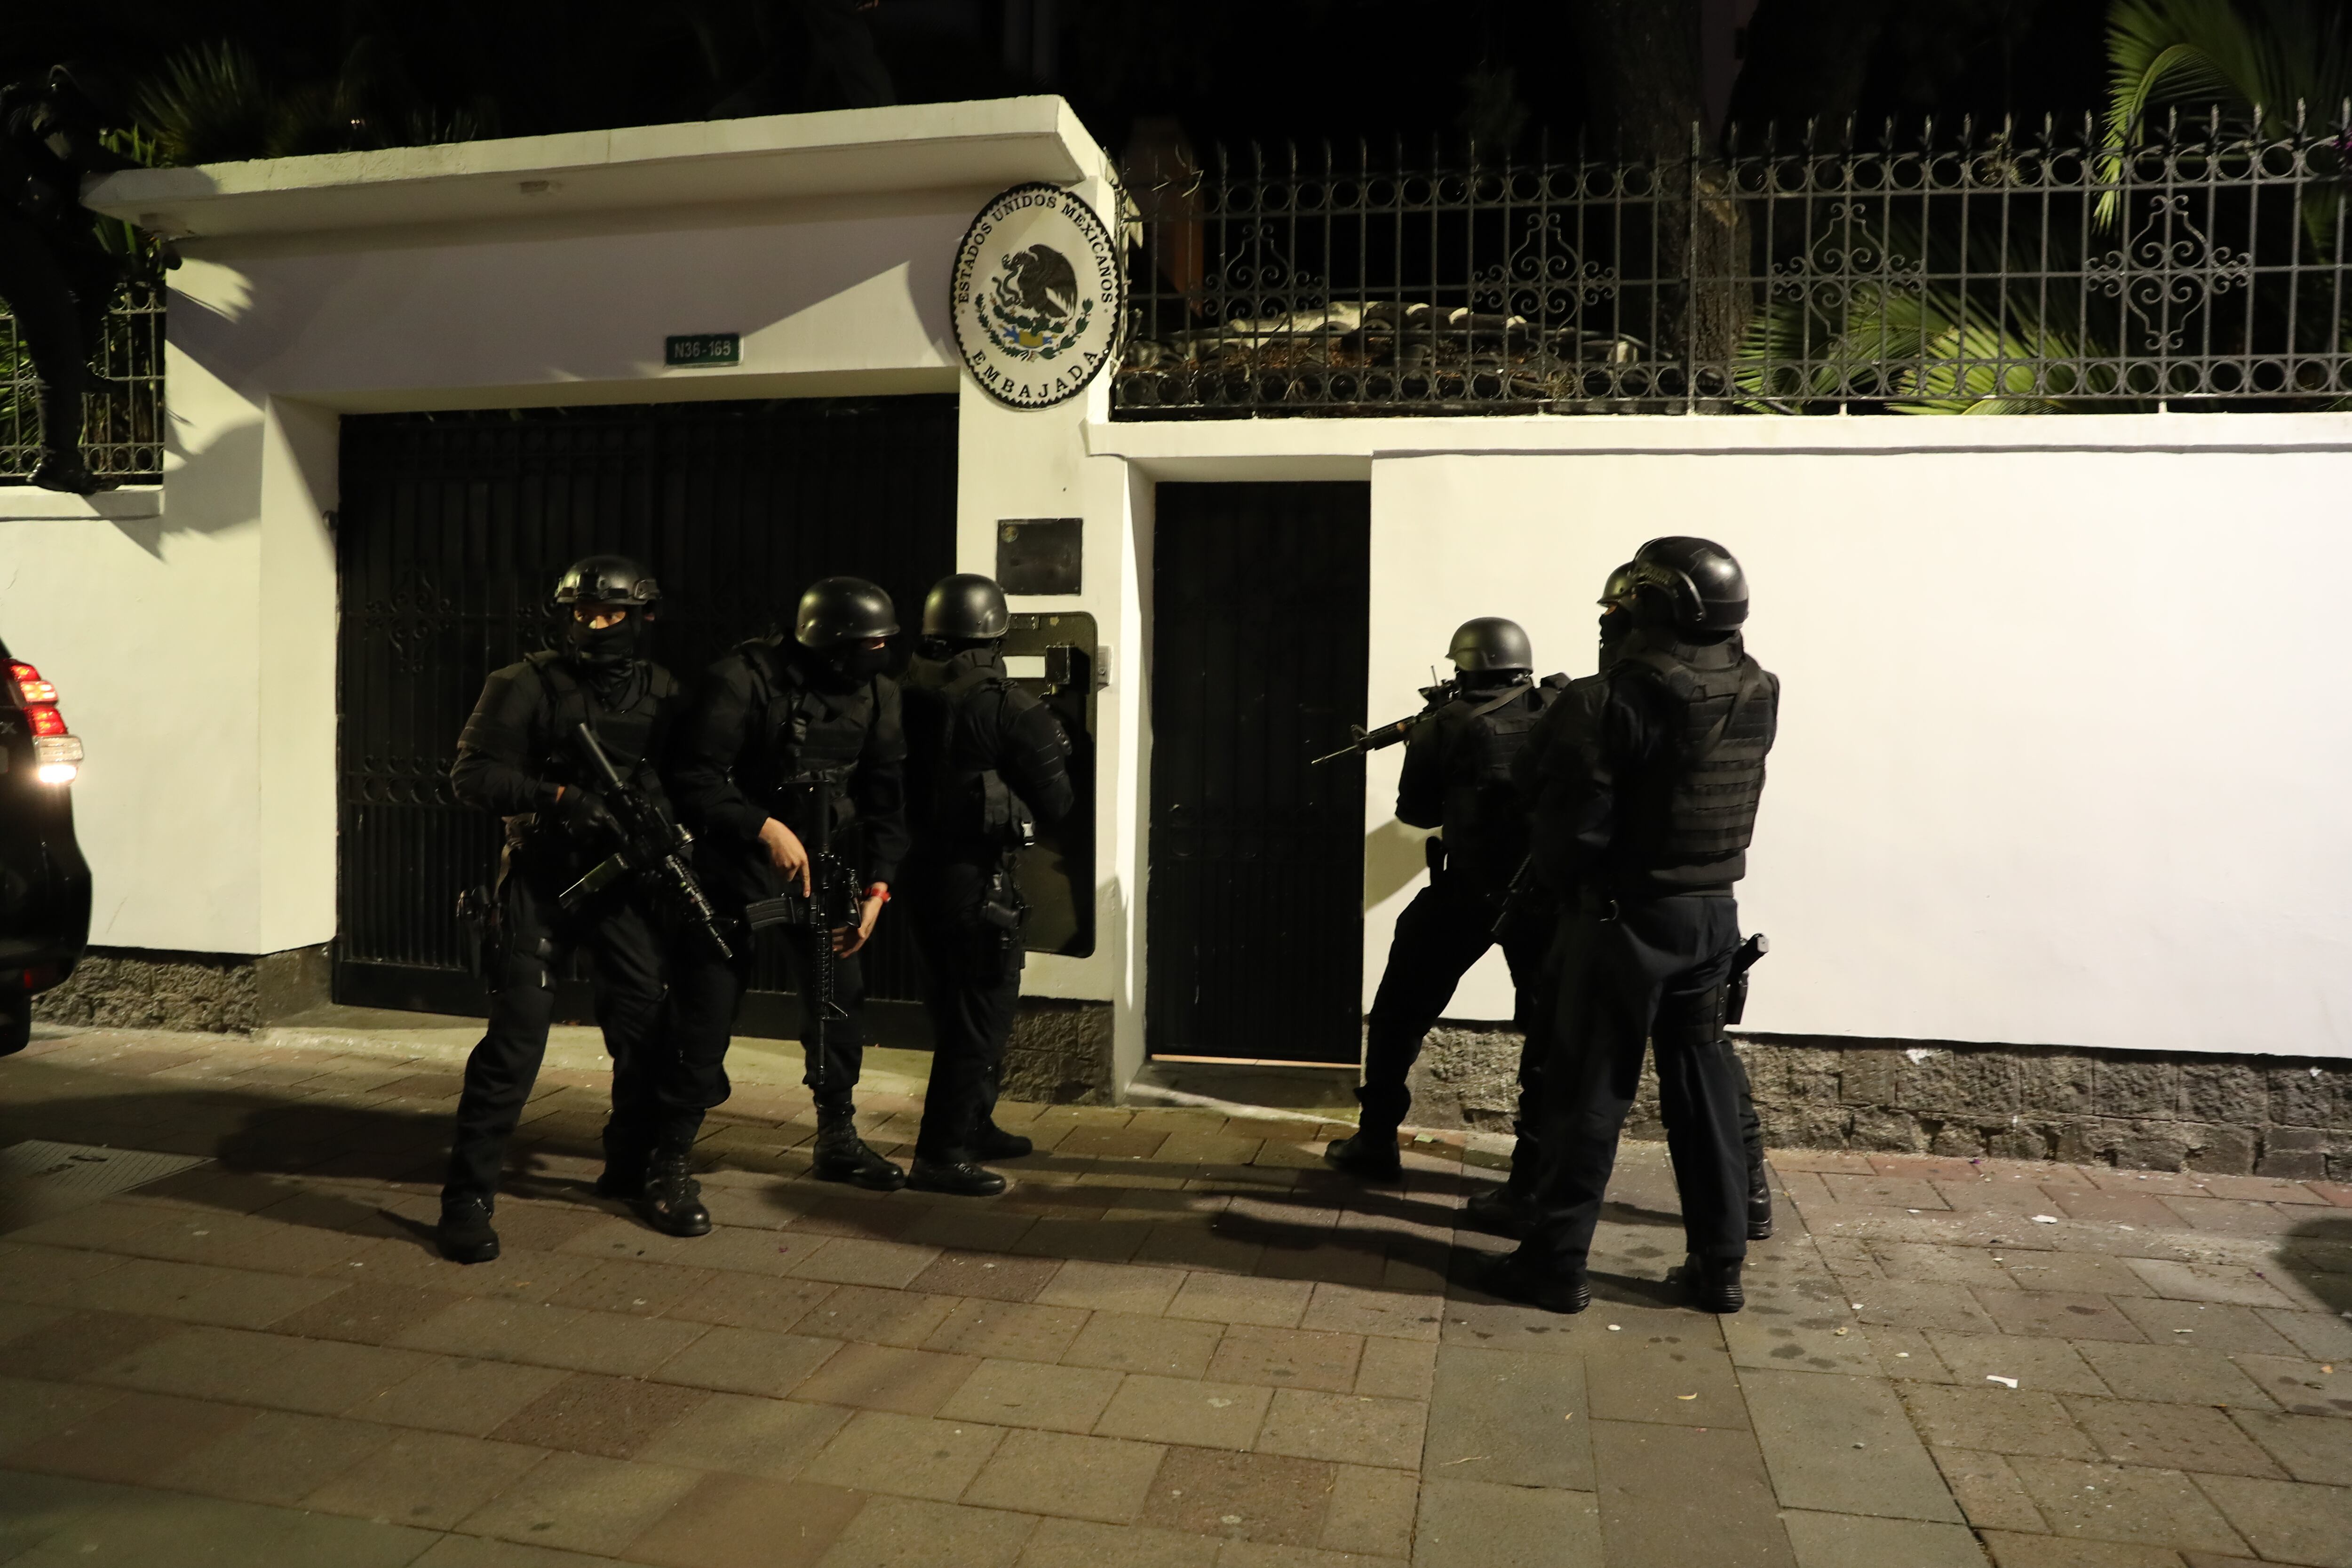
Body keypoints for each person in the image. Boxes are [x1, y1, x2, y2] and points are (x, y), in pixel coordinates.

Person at [1482, 537, 1779, 1315]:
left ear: (1649, 605)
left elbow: (1566, 833)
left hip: (1621, 919)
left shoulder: (1602, 698)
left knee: (1587, 1092)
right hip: (1715, 915)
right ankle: (1720, 1267)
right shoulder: (1759, 688)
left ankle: (1555, 1264)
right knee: (1706, 1086)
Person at [439, 556, 699, 1263]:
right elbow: (472, 775)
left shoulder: (665, 693)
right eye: (583, 613)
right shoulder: (524, 684)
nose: (594, 625)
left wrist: (660, 828)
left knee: (645, 1029)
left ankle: (632, 1167)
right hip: (540, 881)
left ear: (641, 618)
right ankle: (467, 1195)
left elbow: (688, 779)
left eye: (610, 615)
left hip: (621, 887)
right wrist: (559, 799)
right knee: (516, 1042)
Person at [665, 575, 910, 1190]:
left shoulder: (877, 695)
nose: (878, 655)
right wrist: (761, 825)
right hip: (735, 869)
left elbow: (886, 799)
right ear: (828, 644)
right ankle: (667, 1152)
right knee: (707, 1009)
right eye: (867, 644)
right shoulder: (744, 679)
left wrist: (880, 889)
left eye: (884, 643)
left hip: (822, 869)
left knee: (838, 1001)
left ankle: (837, 1139)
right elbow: (692, 777)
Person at [1324, 619, 1567, 1197]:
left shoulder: (1449, 723)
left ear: (1463, 666)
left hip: (1467, 892)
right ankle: (1535, 1173)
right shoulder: (1561, 706)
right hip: (1542, 897)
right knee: (1550, 1038)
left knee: (1397, 1015)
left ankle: (1376, 1140)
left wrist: (1426, 744)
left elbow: (1416, 816)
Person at [898, 573, 1074, 1195]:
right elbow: (1058, 801)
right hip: (977, 880)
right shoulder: (1004, 705)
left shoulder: (905, 692)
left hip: (918, 874)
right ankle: (941, 1154)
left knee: (951, 1009)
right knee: (982, 1017)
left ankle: (975, 1125)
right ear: (995, 632)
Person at [0, 66, 138, 494]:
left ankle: (77, 365)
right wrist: (149, 174)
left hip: (22, 232)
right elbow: (72, 149)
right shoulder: (42, 108)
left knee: (98, 271)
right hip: (7, 234)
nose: (99, 131)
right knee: (55, 346)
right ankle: (59, 462)